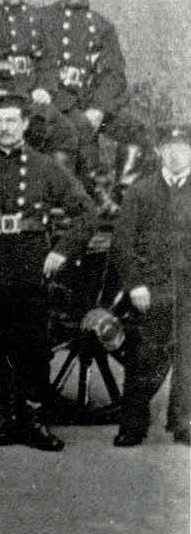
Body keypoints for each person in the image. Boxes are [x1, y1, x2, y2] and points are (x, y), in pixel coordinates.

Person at [0, 92, 95, 452]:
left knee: (33, 346)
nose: (4, 128)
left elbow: (85, 212)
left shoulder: (45, 166)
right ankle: (11, 420)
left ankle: (34, 421)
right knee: (1, 345)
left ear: (25, 124)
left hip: (32, 263)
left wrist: (61, 252)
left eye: (11, 121)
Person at [110, 113, 191, 447]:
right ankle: (132, 425)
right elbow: (122, 242)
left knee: (189, 358)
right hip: (151, 289)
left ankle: (184, 422)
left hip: (188, 291)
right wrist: (135, 285)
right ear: (159, 151)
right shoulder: (141, 191)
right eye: (169, 147)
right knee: (143, 357)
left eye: (183, 147)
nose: (175, 154)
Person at [31, 0, 133, 199]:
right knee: (78, 127)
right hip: (58, 101)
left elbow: (114, 75)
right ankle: (89, 192)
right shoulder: (42, 18)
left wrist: (99, 108)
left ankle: (125, 197)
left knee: (136, 129)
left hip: (93, 104)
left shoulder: (102, 26)